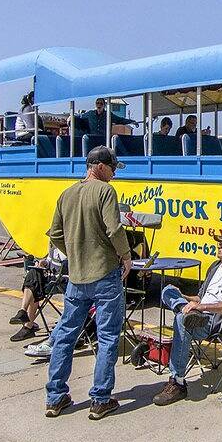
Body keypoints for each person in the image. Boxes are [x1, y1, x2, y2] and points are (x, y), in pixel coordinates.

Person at [44, 146, 133, 420]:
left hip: (77, 276)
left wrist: (74, 252)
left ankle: (55, 397)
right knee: (107, 337)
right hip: (105, 273)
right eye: (113, 168)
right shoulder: (105, 192)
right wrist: (126, 256)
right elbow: (114, 229)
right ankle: (100, 399)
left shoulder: (66, 194)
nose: (115, 174)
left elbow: (55, 234)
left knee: (65, 335)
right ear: (100, 167)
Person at [153, 229, 222, 406]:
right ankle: (184, 309)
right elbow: (200, 297)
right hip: (198, 313)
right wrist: (184, 297)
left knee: (181, 320)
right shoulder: (214, 266)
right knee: (168, 290)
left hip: (217, 322)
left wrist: (201, 307)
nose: (218, 247)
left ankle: (177, 382)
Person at [9, 245, 67, 342]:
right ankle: (22, 311)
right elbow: (49, 260)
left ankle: (28, 326)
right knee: (33, 275)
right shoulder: (53, 243)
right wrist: (44, 263)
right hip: (51, 278)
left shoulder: (68, 244)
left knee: (35, 286)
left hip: (63, 282)